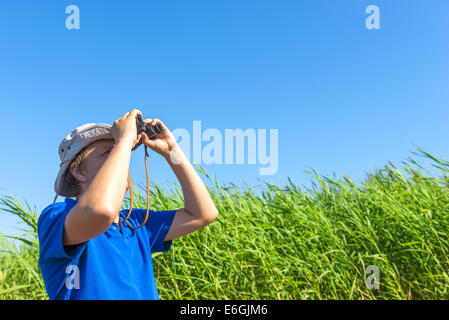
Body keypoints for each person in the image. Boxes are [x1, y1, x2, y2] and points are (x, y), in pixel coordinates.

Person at [37, 109, 218, 300]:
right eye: (109, 153)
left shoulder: (136, 224)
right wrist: (123, 142)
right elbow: (101, 212)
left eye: (120, 152)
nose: (121, 160)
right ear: (78, 172)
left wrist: (173, 152)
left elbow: (203, 214)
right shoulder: (56, 217)